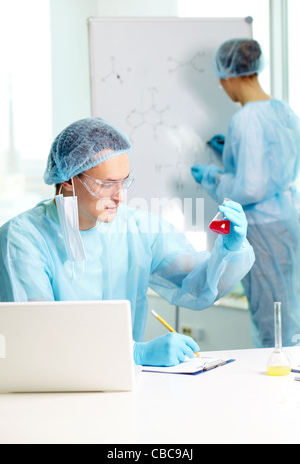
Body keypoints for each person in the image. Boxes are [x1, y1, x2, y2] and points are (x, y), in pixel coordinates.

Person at [0, 117, 254, 366]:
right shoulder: (23, 239)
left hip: (125, 384)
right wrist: (132, 354)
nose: (120, 197)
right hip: (50, 390)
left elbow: (196, 284)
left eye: (124, 182)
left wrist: (230, 250)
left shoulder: (139, 229)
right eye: (107, 184)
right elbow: (37, 335)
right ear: (68, 179)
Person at [191, 38, 300, 348]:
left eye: (221, 82)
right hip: (286, 221)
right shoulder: (283, 111)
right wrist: (230, 152)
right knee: (289, 308)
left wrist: (213, 177)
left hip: (263, 229)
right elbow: (277, 167)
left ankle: (280, 383)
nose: (223, 90)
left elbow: (249, 188)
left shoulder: (244, 120)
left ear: (230, 76)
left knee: (271, 318)